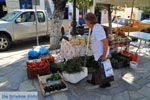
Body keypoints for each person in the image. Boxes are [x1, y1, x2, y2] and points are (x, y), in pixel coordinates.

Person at [84, 13, 113, 88]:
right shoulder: (95, 27)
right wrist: (92, 45)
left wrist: (104, 55)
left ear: (88, 21)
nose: (85, 22)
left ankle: (105, 83)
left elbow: (105, 42)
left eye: (85, 21)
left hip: (101, 53)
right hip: (98, 52)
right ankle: (94, 81)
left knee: (100, 68)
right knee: (96, 67)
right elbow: (97, 40)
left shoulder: (97, 28)